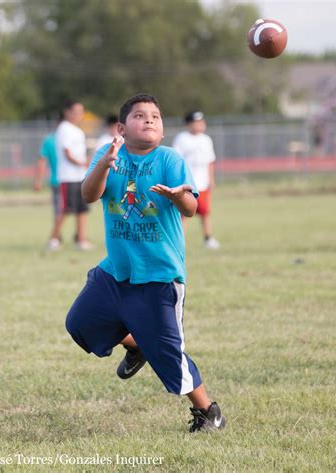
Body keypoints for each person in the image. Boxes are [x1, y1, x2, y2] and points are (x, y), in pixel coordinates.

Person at [65, 94, 225, 432]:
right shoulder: (110, 154)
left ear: (163, 128)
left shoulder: (169, 158)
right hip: (116, 271)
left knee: (168, 352)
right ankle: (137, 345)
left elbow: (191, 208)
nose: (149, 120)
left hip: (159, 275)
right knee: (80, 323)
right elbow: (89, 195)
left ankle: (208, 410)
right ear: (122, 128)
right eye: (139, 115)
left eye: (155, 116)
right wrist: (104, 166)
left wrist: (178, 195)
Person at [49, 100, 93, 251]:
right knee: (66, 209)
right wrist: (83, 163)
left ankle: (81, 240)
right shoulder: (64, 129)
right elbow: (67, 153)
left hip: (80, 176)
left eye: (81, 112)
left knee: (82, 210)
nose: (78, 115)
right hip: (68, 177)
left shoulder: (77, 130)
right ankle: (54, 239)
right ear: (67, 112)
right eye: (75, 112)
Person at [172, 111, 220, 249]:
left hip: (203, 182)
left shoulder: (206, 139)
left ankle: (208, 238)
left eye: (201, 122)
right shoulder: (182, 138)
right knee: (184, 213)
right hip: (187, 183)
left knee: (204, 212)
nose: (200, 125)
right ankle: (179, 241)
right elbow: (177, 161)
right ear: (188, 124)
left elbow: (210, 161)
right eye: (196, 122)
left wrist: (211, 179)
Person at [33, 127, 61, 238]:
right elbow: (42, 161)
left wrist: (38, 181)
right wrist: (38, 181)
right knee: (77, 211)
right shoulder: (50, 140)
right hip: (64, 181)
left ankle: (57, 237)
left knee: (59, 211)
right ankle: (57, 237)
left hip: (59, 181)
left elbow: (42, 161)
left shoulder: (49, 139)